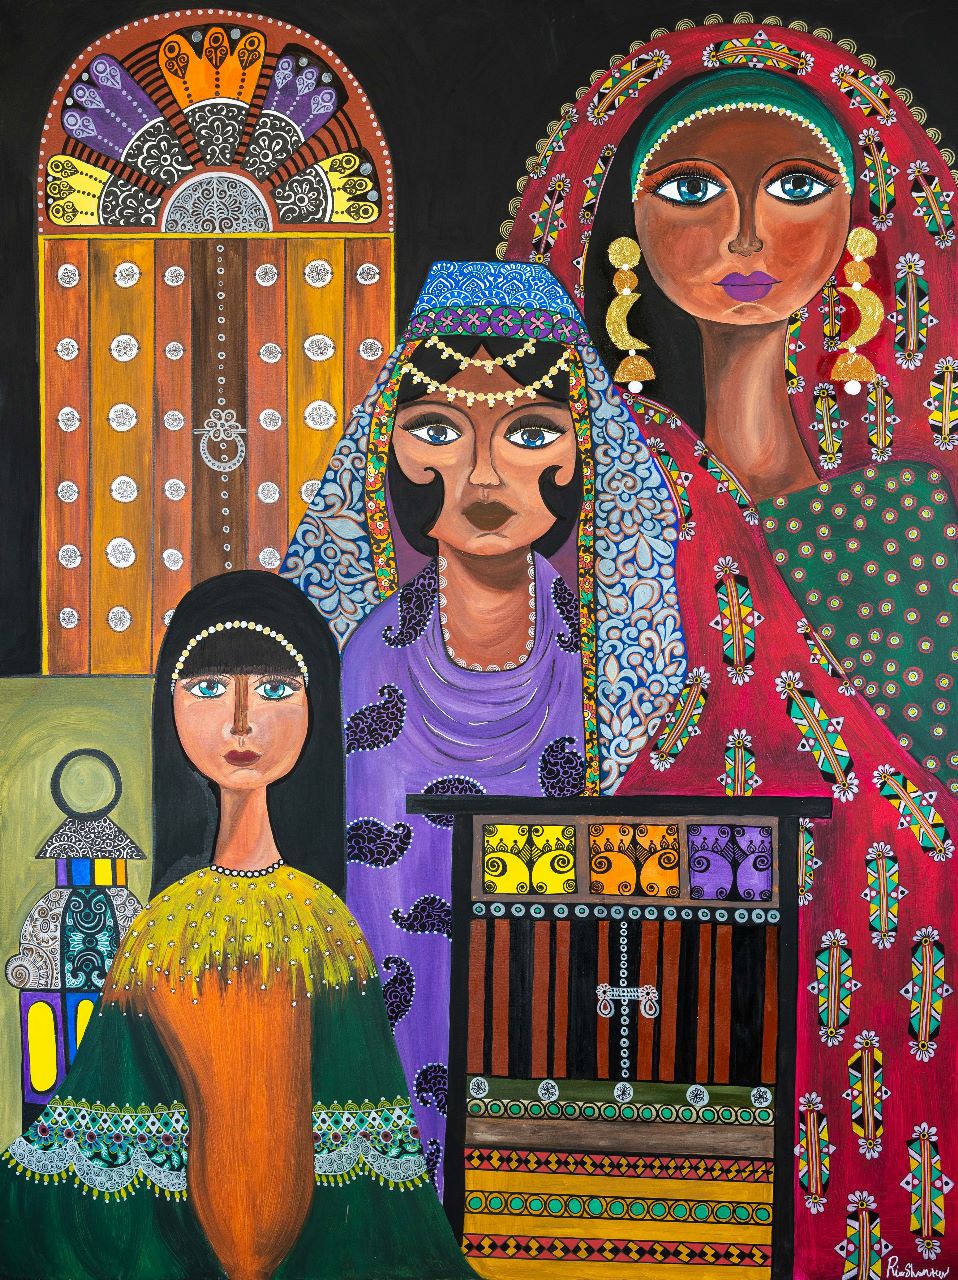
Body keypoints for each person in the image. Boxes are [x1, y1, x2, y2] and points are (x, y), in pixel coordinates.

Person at [505, 24, 957, 1274]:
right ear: (626, 233)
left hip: (886, 1000)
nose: (746, 236)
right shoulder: (609, 494)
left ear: (856, 231)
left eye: (796, 187)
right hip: (664, 979)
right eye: (692, 189)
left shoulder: (901, 516)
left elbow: (933, 805)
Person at [282, 260, 687, 1186]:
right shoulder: (359, 661)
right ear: (392, 452)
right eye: (438, 430)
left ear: (582, 454)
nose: (485, 473)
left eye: (531, 432)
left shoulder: (615, 666)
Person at [0, 571, 474, 1280]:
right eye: (211, 687)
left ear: (316, 708)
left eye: (277, 689)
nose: (242, 721)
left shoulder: (326, 928)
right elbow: (113, 1108)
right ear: (170, 706)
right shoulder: (161, 929)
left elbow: (362, 1128)